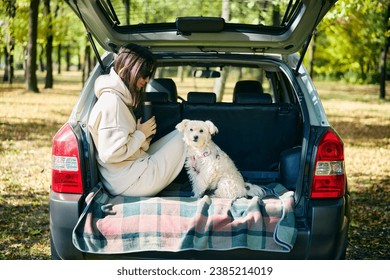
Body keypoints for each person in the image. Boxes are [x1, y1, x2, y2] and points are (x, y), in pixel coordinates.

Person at [88, 43, 186, 196]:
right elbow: (110, 154)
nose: (147, 80)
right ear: (130, 69)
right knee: (188, 136)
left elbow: (125, 145)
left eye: (150, 75)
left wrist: (143, 137)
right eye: (145, 73)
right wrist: (140, 134)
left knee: (184, 131)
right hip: (131, 182)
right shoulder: (112, 103)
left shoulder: (119, 100)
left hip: (131, 172)